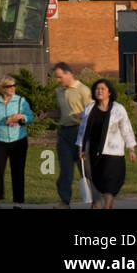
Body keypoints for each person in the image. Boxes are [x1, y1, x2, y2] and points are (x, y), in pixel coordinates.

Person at [75, 79, 137, 209]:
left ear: (109, 92)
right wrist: (81, 147)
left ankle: (107, 205)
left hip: (113, 152)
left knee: (110, 181)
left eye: (103, 89)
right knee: (98, 180)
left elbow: (126, 128)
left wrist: (131, 148)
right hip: (94, 151)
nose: (99, 91)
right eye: (97, 89)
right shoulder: (89, 108)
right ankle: (108, 204)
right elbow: (83, 129)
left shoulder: (118, 109)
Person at [0, 75, 32, 208]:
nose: (13, 88)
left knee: (17, 171)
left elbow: (30, 117)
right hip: (0, 141)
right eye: (10, 86)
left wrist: (21, 117)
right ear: (2, 88)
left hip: (19, 141)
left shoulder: (21, 101)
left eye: (14, 85)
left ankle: (18, 202)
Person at [52, 61, 92, 208]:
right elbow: (61, 112)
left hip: (79, 133)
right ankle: (65, 201)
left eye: (60, 77)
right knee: (65, 169)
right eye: (56, 77)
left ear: (69, 74)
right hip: (63, 133)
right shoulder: (60, 91)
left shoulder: (83, 90)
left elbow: (92, 112)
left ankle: (96, 199)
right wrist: (48, 114)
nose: (58, 80)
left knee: (85, 169)